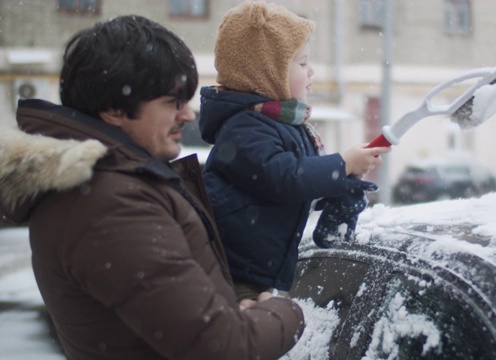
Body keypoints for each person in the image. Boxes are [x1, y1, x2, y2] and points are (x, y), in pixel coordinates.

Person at [0, 15, 304, 360]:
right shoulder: (110, 204)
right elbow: (222, 347)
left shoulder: (109, 188)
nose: (188, 115)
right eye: (172, 102)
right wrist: (284, 312)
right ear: (114, 109)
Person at [199, 1, 391, 301]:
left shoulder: (283, 124)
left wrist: (344, 182)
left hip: (254, 269)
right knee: (244, 342)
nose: (312, 71)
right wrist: (341, 164)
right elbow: (285, 178)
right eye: (302, 63)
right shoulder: (243, 128)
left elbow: (299, 182)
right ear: (267, 74)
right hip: (232, 274)